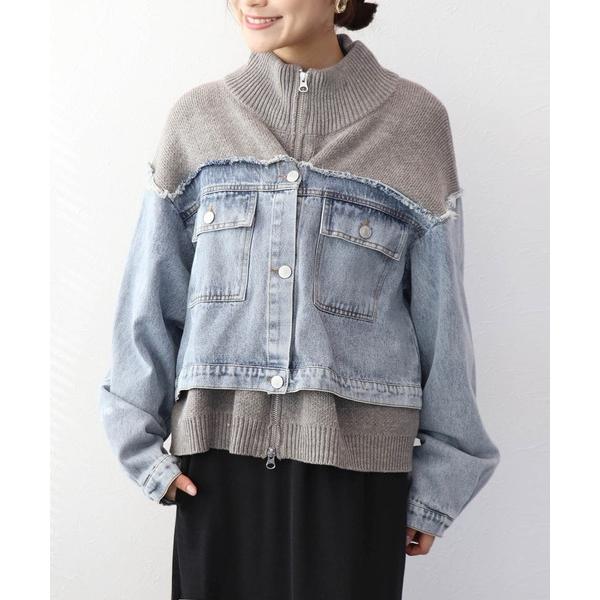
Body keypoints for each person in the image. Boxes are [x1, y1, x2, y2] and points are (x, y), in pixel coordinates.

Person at [98, 1, 501, 598]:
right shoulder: (197, 119)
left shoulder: (414, 123)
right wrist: (138, 444)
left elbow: (442, 320)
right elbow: (151, 299)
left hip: (358, 475)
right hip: (216, 471)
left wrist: (442, 478)